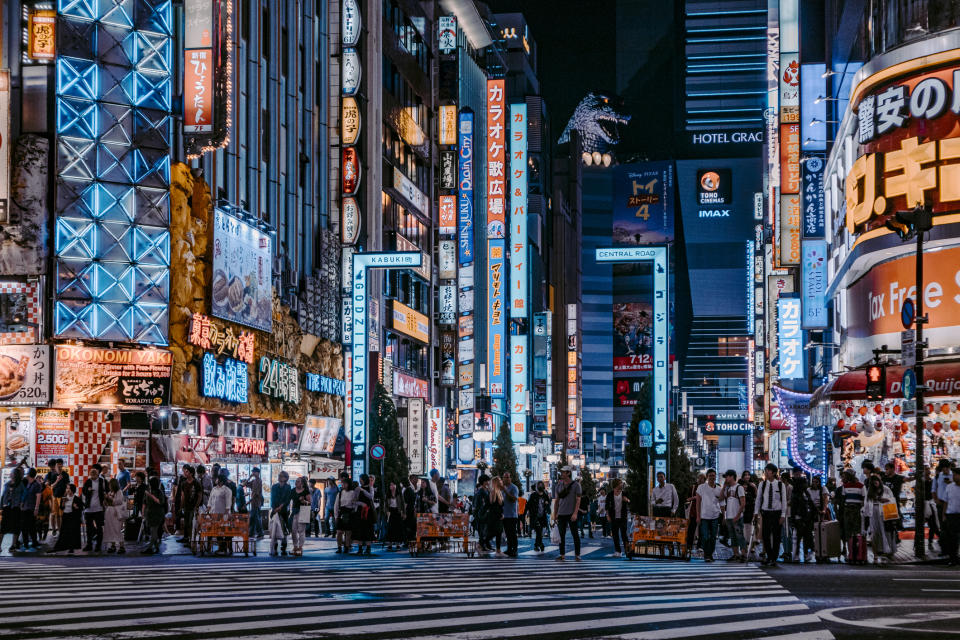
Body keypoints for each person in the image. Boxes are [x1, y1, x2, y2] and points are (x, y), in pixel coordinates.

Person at [757, 463, 788, 566]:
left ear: (774, 473)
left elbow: (784, 500)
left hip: (776, 513)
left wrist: (783, 515)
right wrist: (755, 512)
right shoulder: (762, 484)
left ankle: (774, 558)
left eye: (768, 471)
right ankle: (769, 556)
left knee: (776, 536)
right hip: (765, 512)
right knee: (765, 535)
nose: (766, 473)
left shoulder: (780, 484)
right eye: (765, 471)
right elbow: (759, 499)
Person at [863, 473, 897, 564]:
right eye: (873, 483)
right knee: (874, 534)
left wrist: (884, 499)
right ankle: (875, 555)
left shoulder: (886, 489)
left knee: (885, 533)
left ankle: (886, 552)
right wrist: (866, 515)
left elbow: (892, 499)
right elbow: (866, 504)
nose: (875, 484)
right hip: (873, 513)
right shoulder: (869, 491)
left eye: (877, 482)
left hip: (884, 512)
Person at [552, 466, 582, 561]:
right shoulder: (559, 486)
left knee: (575, 534)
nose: (561, 474)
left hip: (571, 513)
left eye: (563, 472)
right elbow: (557, 501)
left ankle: (577, 555)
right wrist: (555, 514)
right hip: (561, 513)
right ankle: (562, 554)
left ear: (568, 473)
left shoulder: (576, 485)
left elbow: (578, 500)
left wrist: (575, 513)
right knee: (561, 535)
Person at [695, 469, 723, 562]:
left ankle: (710, 555)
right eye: (710, 475)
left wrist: (724, 515)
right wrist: (698, 516)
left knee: (713, 537)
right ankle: (707, 555)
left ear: (716, 477)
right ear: (707, 477)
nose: (712, 477)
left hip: (715, 516)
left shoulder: (719, 489)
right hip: (704, 517)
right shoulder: (701, 487)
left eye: (713, 475)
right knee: (705, 536)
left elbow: (722, 502)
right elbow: (698, 503)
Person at [721, 470, 746, 562]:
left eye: (727, 477)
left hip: (737, 516)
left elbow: (743, 503)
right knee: (732, 537)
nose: (726, 479)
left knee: (740, 536)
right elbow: (720, 498)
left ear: (732, 477)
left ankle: (743, 554)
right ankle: (736, 554)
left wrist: (738, 515)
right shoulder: (727, 488)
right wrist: (724, 487)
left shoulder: (739, 487)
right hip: (729, 516)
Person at [789, 475, 816, 563]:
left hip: (806, 518)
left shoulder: (805, 493)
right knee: (799, 536)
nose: (806, 484)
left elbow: (811, 504)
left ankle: (804, 553)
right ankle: (797, 554)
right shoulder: (796, 494)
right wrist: (793, 519)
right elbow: (794, 508)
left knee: (806, 536)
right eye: (805, 482)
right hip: (799, 517)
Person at [840, 468, 865, 558]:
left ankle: (856, 551)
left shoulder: (861, 486)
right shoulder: (845, 486)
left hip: (857, 509)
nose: (844, 477)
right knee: (848, 530)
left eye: (846, 475)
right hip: (847, 509)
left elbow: (863, 499)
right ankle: (850, 551)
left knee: (856, 530)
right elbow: (843, 499)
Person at [52, 484, 84, 554]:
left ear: (72, 490)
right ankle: (63, 546)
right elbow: (61, 507)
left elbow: (81, 508)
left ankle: (71, 548)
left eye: (69, 488)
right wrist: (63, 502)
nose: (67, 490)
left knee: (72, 533)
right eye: (67, 488)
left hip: (73, 517)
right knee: (64, 532)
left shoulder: (76, 498)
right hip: (65, 516)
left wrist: (76, 507)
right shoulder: (64, 498)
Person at [176, 465, 202, 546]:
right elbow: (183, 496)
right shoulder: (183, 483)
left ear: (191, 473)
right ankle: (186, 538)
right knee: (186, 523)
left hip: (193, 507)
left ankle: (191, 540)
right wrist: (181, 506)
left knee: (191, 524)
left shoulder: (196, 483)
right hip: (186, 506)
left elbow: (200, 495)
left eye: (187, 472)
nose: (185, 473)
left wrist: (197, 506)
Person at [269, 470, 294, 556]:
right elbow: (272, 498)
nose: (279, 477)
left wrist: (280, 507)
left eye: (282, 476)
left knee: (284, 529)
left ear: (286, 478)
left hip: (284, 511)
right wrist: (274, 508)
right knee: (274, 529)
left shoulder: (288, 487)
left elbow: (287, 499)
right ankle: (275, 548)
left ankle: (283, 547)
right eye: (279, 476)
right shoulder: (274, 486)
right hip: (275, 510)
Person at [140, 476, 167, 554]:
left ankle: (150, 547)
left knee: (153, 530)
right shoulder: (148, 491)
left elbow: (160, 502)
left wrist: (150, 496)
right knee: (153, 531)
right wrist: (143, 512)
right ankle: (156, 547)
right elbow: (144, 503)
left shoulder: (159, 492)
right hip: (150, 513)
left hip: (157, 513)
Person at [17, 468, 43, 550]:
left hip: (31, 508)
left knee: (32, 527)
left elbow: (38, 497)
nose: (26, 475)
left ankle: (34, 542)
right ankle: (25, 543)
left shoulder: (37, 484)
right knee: (24, 527)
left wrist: (36, 508)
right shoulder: (26, 483)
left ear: (29, 474)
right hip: (24, 508)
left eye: (27, 473)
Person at [606, 478, 630, 558]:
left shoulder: (625, 493)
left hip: (623, 517)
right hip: (613, 517)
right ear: (616, 484)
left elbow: (630, 501)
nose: (622, 484)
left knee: (624, 535)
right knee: (615, 535)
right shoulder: (610, 494)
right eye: (620, 483)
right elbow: (607, 506)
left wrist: (627, 500)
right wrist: (608, 516)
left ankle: (627, 551)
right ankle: (618, 551)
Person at [1, 467, 23, 552]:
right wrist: (2, 505)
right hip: (7, 508)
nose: (10, 474)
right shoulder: (7, 484)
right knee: (3, 527)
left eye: (12, 473)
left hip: (15, 508)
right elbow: (3, 495)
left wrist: (21, 502)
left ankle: (13, 545)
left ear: (15, 475)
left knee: (15, 527)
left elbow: (24, 494)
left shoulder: (20, 484)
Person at [103, 478, 127, 554]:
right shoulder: (110, 492)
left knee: (117, 529)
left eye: (110, 484)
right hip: (109, 512)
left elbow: (119, 501)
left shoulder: (119, 492)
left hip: (116, 513)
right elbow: (106, 503)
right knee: (110, 529)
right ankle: (113, 545)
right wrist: (105, 500)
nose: (109, 486)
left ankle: (122, 546)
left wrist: (109, 499)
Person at [334, 474, 358, 553]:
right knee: (339, 532)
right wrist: (336, 516)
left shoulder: (353, 493)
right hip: (342, 512)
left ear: (348, 484)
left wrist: (354, 512)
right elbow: (336, 505)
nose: (343, 485)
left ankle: (347, 546)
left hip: (349, 512)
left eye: (344, 483)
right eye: (342, 483)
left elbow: (355, 504)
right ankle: (339, 547)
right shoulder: (340, 493)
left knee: (348, 532)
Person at [354, 474, 376, 555]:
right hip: (360, 511)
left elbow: (371, 497)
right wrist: (361, 503)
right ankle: (360, 548)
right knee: (360, 529)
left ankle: (368, 548)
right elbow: (354, 500)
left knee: (368, 529)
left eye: (361, 479)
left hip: (368, 512)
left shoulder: (370, 488)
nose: (360, 481)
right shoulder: (357, 489)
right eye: (360, 479)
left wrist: (363, 490)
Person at [942, 466, 960, 566]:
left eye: (956, 475)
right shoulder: (949, 487)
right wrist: (943, 515)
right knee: (952, 539)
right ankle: (953, 559)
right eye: (953, 474)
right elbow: (945, 502)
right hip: (951, 515)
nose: (953, 476)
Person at [289, 476, 310, 557]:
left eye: (298, 481)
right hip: (295, 510)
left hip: (304, 510)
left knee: (301, 531)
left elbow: (309, 502)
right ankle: (295, 546)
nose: (296, 483)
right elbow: (289, 500)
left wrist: (303, 500)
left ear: (302, 483)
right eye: (296, 481)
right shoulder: (293, 490)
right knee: (293, 530)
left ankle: (300, 548)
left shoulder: (306, 491)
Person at [527, 481, 549, 552]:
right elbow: (528, 505)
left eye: (541, 485)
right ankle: (539, 545)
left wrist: (548, 508)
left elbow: (548, 503)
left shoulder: (545, 495)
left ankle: (538, 544)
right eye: (539, 485)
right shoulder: (533, 495)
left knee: (540, 532)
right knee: (539, 531)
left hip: (542, 517)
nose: (540, 486)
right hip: (535, 516)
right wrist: (527, 513)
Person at [882, 462, 905, 528]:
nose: (885, 471)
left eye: (887, 469)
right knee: (887, 523)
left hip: (894, 502)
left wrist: (915, 476)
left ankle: (896, 536)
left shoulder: (898, 478)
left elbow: (907, 479)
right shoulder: (884, 478)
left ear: (892, 469)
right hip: (885, 503)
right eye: (885, 469)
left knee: (895, 523)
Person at [244, 467, 264, 539]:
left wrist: (249, 502)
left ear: (258, 473)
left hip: (256, 502)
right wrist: (249, 477)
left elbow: (256, 493)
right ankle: (252, 532)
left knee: (256, 517)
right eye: (252, 472)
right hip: (254, 502)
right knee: (253, 518)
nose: (253, 473)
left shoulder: (259, 481)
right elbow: (245, 484)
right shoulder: (254, 481)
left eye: (254, 472)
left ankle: (259, 532)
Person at [487, 477, 505, 556]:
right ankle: (481, 543)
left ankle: (498, 550)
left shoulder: (499, 492)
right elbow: (493, 506)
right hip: (495, 516)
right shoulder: (493, 492)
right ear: (497, 482)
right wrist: (500, 515)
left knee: (498, 533)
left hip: (499, 516)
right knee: (494, 532)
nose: (501, 481)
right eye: (500, 480)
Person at [385, 481, 406, 551]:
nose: (392, 486)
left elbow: (403, 503)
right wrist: (386, 511)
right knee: (390, 528)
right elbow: (385, 505)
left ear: (396, 486)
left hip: (398, 511)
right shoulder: (388, 494)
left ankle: (397, 544)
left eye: (393, 485)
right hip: (391, 511)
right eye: (391, 485)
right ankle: (390, 544)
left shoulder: (399, 494)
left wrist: (404, 513)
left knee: (398, 528)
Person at [473, 475, 491, 551]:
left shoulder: (486, 490)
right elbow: (478, 505)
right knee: (482, 530)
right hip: (481, 514)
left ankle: (485, 545)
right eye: (487, 481)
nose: (488, 482)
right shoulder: (480, 492)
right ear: (484, 482)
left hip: (485, 514)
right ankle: (482, 545)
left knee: (485, 530)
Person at [402, 475, 417, 542]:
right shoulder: (411, 489)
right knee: (411, 525)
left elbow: (405, 503)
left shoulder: (407, 490)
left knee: (407, 525)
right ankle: (411, 539)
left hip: (408, 510)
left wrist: (403, 512)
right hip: (412, 510)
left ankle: (407, 540)